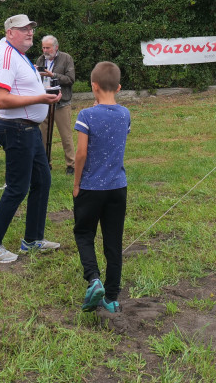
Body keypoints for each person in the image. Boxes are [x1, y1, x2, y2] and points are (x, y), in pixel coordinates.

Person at [0, 14, 62, 264]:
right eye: (23, 29)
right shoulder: (5, 56)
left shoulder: (19, 55)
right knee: (17, 187)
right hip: (16, 128)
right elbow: (0, 100)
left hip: (28, 128)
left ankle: (32, 239)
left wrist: (43, 93)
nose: (29, 32)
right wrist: (39, 99)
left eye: (31, 28)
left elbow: (20, 89)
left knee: (43, 181)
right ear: (9, 32)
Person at [72, 62, 130, 314]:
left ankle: (94, 279)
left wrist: (76, 183)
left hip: (90, 188)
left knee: (84, 233)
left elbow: (81, 153)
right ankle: (113, 296)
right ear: (118, 87)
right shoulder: (125, 113)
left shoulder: (86, 115)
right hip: (118, 187)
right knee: (113, 240)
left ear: (93, 86)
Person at [36, 35, 76, 175]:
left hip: (61, 102)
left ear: (56, 47)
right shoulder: (41, 59)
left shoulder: (66, 58)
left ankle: (71, 164)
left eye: (48, 47)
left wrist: (52, 75)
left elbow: (70, 79)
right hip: (44, 101)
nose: (45, 50)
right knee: (44, 134)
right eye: (43, 47)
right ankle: (46, 162)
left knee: (66, 135)